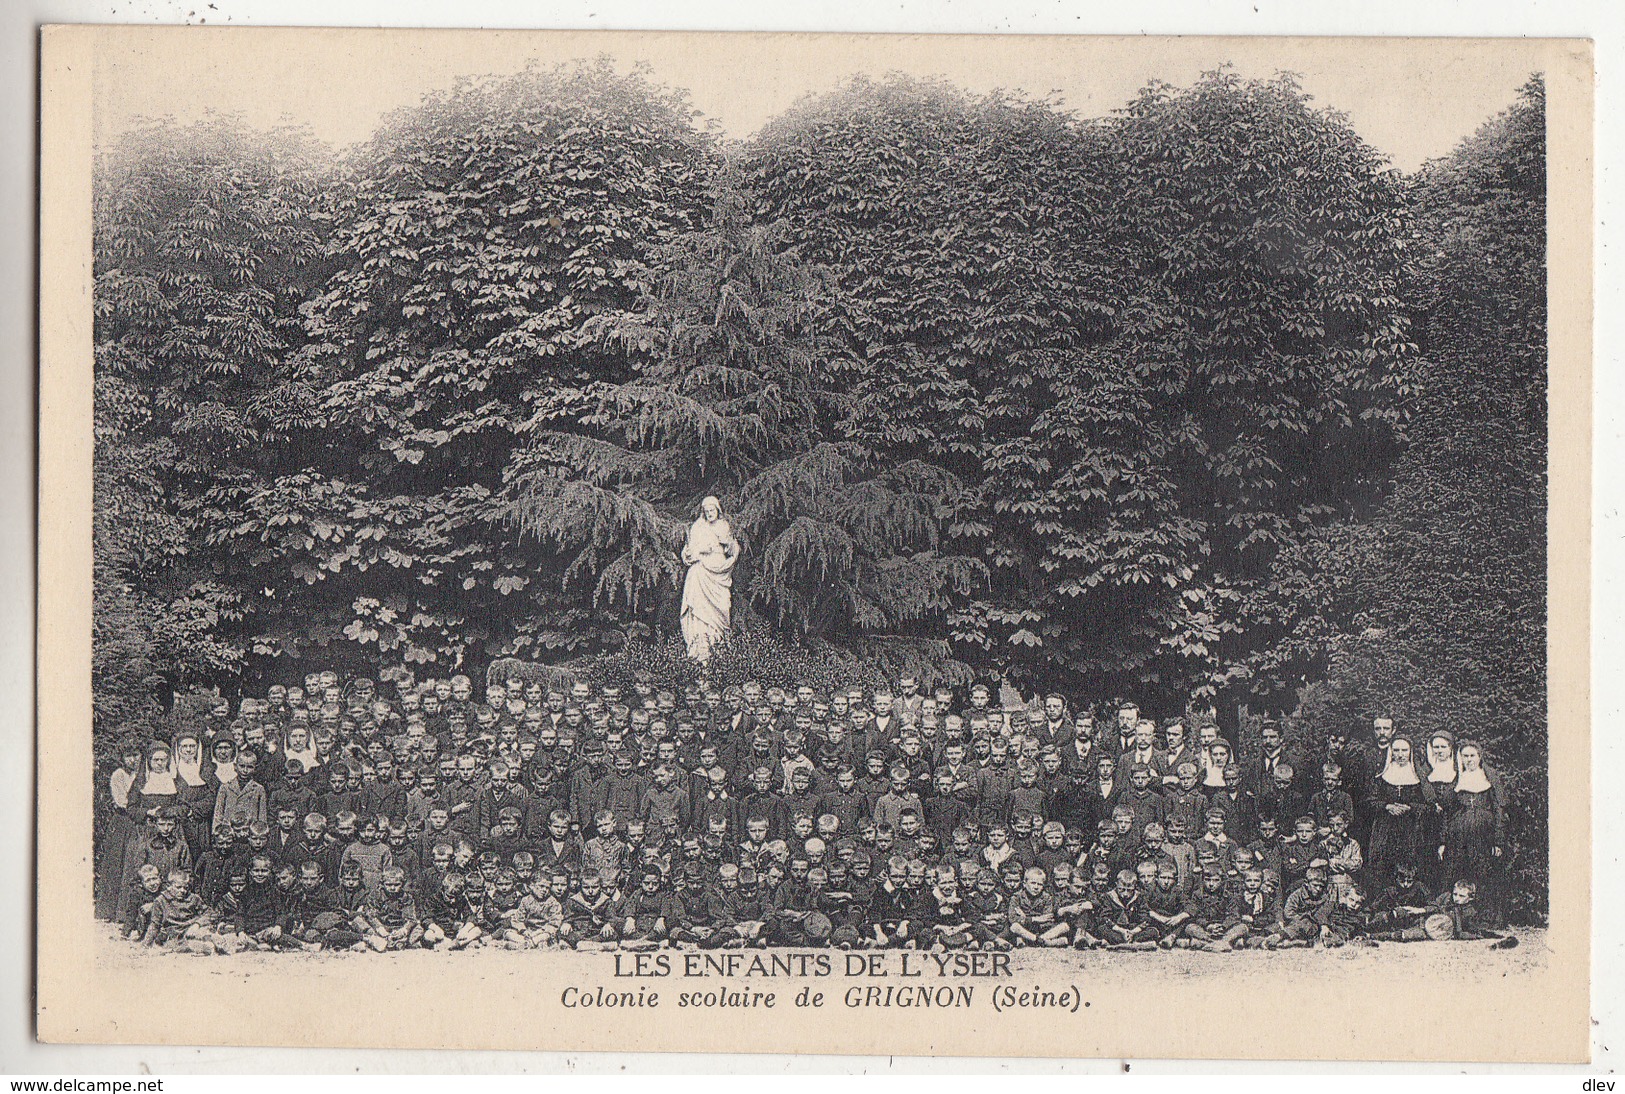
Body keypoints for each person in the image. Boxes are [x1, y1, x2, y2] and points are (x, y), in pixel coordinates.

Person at [1440, 740, 1508, 925]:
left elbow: (1499, 810)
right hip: (1459, 837)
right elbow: (1447, 810)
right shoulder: (1457, 778)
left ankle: (1485, 919)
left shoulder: (1490, 777)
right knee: (1458, 872)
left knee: (1483, 874)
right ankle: (1457, 919)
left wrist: (1498, 841)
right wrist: (1443, 840)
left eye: (1472, 756)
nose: (1468, 760)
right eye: (1465, 756)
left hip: (1483, 836)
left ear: (1479, 757)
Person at [1366, 737, 1435, 886]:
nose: (1400, 754)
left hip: (1410, 829)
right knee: (1383, 863)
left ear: (1410, 752)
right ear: (1391, 752)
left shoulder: (1418, 775)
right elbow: (1370, 800)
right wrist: (1387, 806)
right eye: (1396, 750)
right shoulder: (1382, 775)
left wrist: (1410, 807)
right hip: (1385, 828)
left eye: (1404, 750)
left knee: (1408, 863)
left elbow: (1429, 805)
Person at [680, 496, 739, 662]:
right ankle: (698, 648)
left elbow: (733, 550)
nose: (710, 514)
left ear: (718, 510)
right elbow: (688, 551)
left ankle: (717, 646)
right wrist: (692, 553)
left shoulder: (723, 525)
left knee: (722, 607)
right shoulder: (698, 526)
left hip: (718, 573)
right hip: (699, 572)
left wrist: (727, 542)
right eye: (707, 512)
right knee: (697, 609)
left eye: (712, 510)